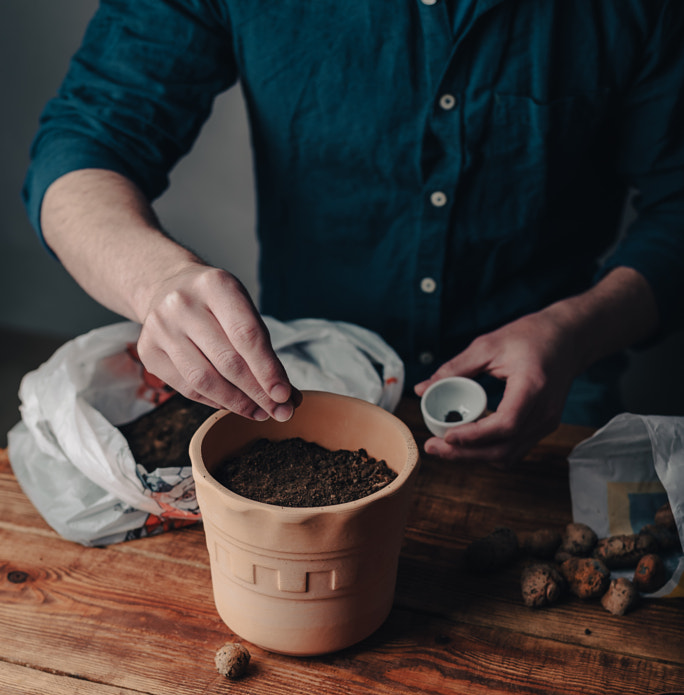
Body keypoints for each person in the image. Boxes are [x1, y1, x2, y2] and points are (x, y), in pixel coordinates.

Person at [24, 1, 684, 465]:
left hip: (551, 403)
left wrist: (576, 333)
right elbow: (83, 144)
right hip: (302, 395)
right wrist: (157, 280)